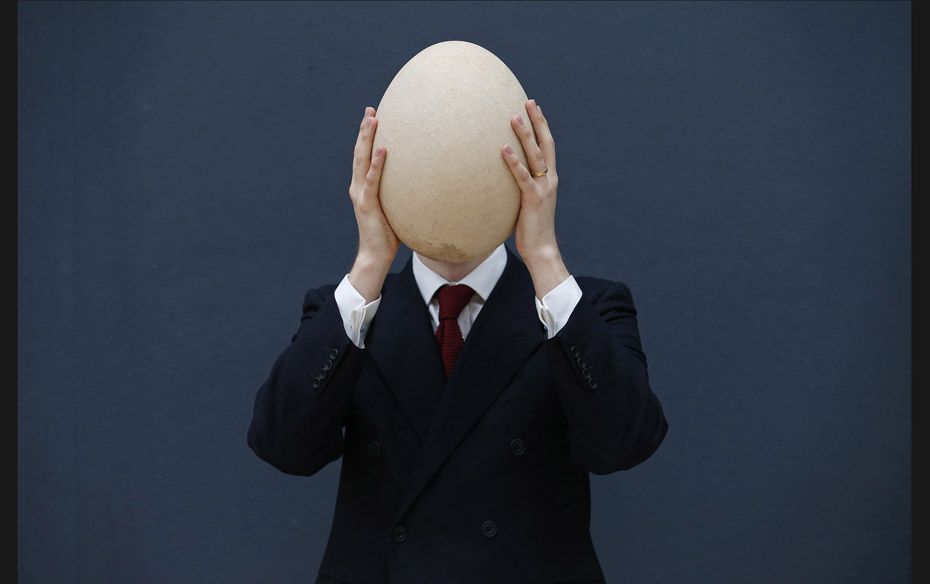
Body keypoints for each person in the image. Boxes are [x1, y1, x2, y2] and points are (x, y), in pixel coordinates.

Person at [246, 99, 669, 584]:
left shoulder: (581, 307)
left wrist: (545, 257)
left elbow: (626, 445)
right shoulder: (345, 312)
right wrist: (369, 264)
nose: (449, 181)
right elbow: (282, 445)